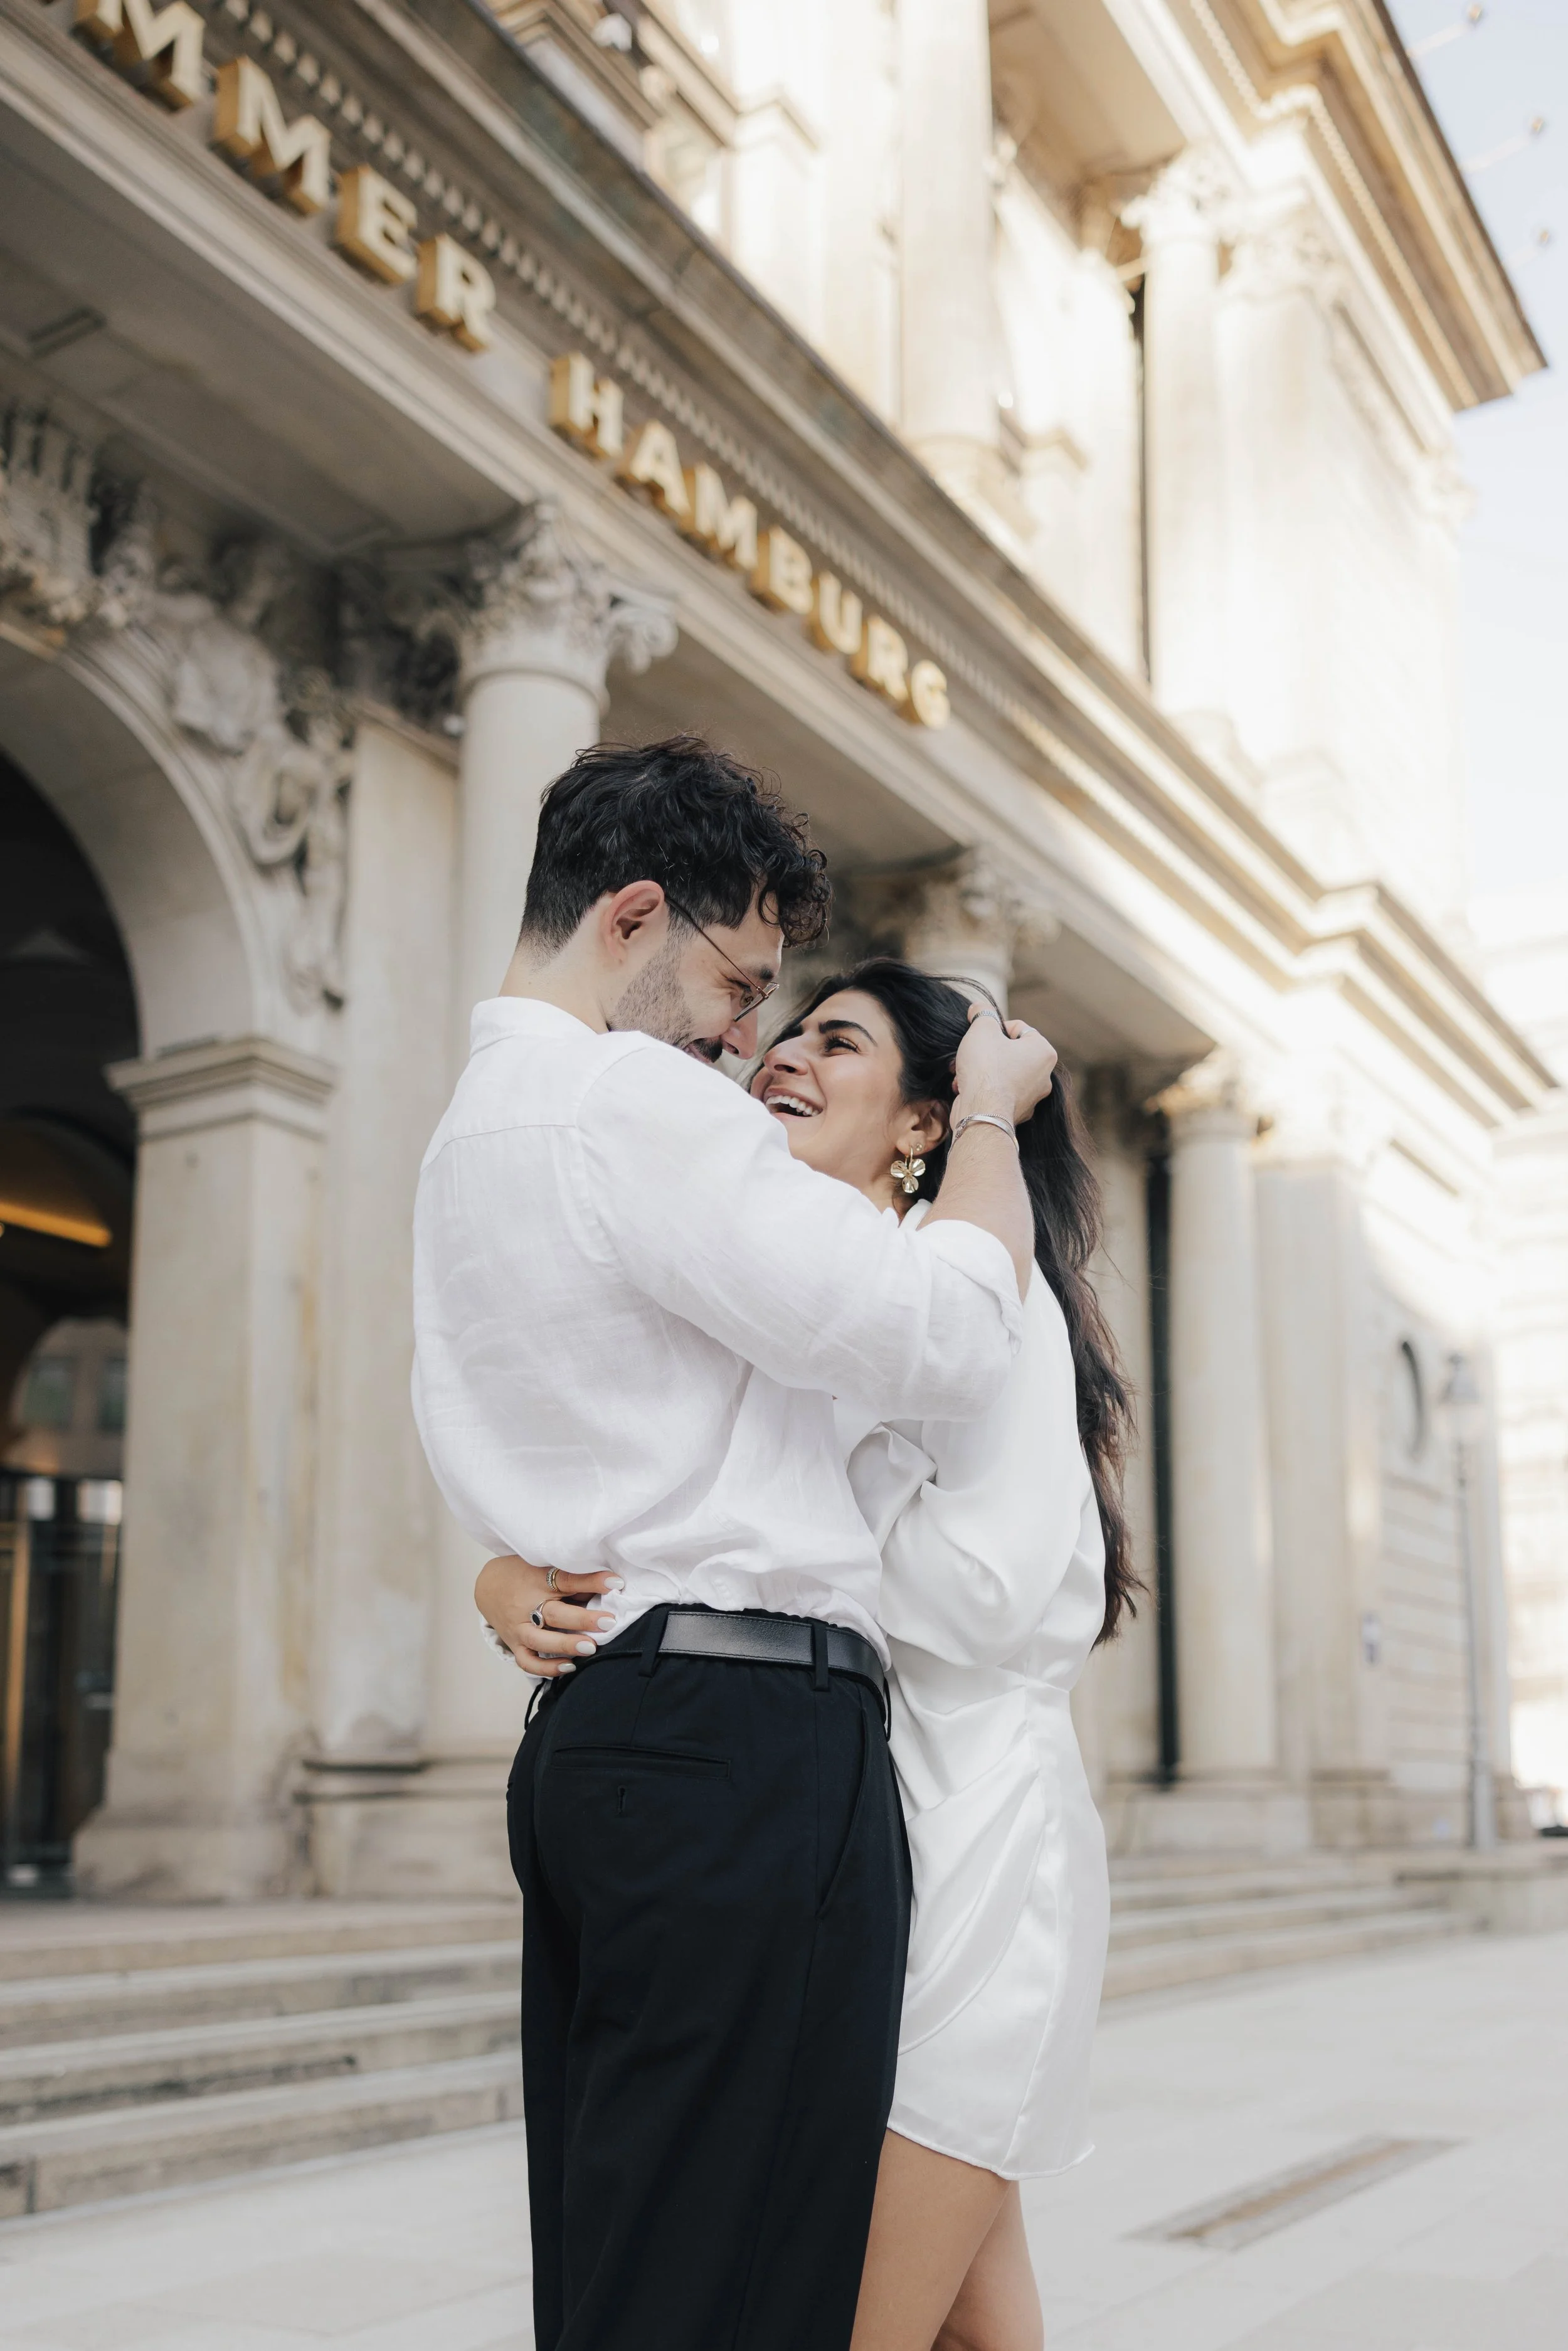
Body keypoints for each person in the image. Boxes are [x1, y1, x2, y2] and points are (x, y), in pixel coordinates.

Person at [411, 736, 1059, 2351]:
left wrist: (502, 1569)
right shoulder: (625, 1094)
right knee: (743, 2271)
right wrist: (982, 1123)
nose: (745, 1031)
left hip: (605, 1737)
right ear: (631, 915)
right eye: (740, 980)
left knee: (632, 2239)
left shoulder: (466, 1130)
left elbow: (484, 1418)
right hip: (741, 1735)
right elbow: (942, 1335)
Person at [494, 953, 1134, 2351]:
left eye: (835, 1041)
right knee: (977, 2317)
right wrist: (513, 1567)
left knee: (862, 2321)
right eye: (781, 1032)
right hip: (844, 1834)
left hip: (975, 1842)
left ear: (920, 1126)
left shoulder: (982, 1293)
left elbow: (1007, 1590)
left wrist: (797, 1556)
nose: (782, 1054)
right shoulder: (809, 1290)